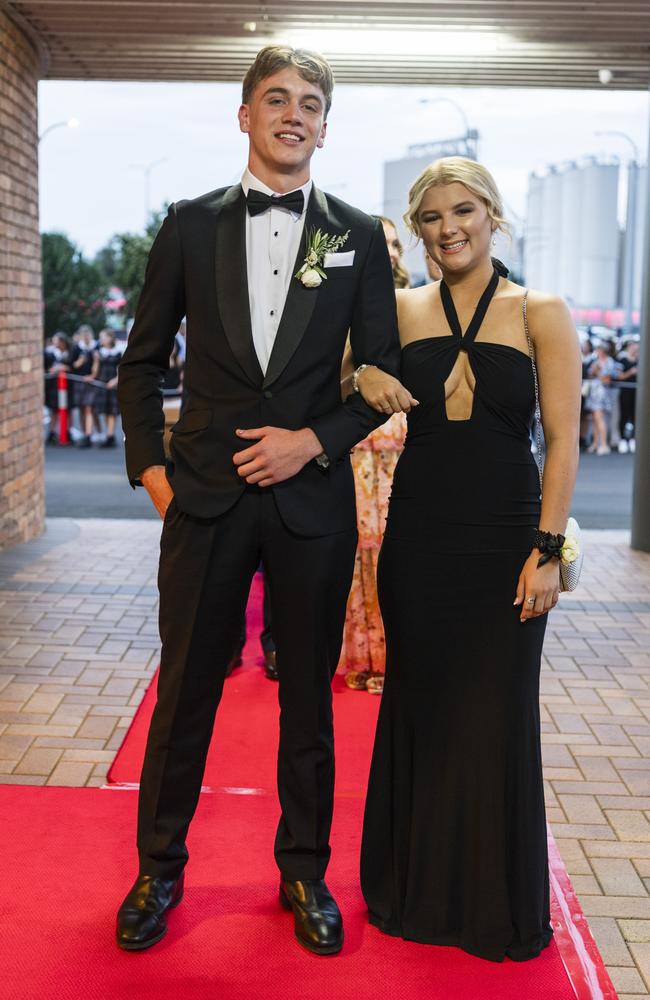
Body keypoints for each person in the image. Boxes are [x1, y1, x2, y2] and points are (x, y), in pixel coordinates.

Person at [116, 44, 412, 957]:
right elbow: (139, 366)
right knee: (185, 698)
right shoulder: (190, 224)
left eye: (310, 103)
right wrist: (156, 476)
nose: (293, 114)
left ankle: (304, 870)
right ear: (244, 115)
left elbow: (382, 376)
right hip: (201, 503)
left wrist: (311, 442)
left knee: (308, 709)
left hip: (310, 507)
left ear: (326, 125)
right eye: (275, 98)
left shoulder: (357, 234)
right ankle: (158, 871)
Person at [360, 156, 581, 962]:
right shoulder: (396, 309)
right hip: (418, 539)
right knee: (421, 707)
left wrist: (547, 551)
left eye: (464, 211)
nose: (450, 227)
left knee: (495, 716)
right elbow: (346, 372)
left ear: (492, 215)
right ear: (417, 229)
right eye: (431, 216)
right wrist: (366, 369)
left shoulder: (541, 311)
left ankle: (492, 907)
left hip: (506, 543)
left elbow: (562, 442)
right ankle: (413, 894)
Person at [339, 216, 408, 695]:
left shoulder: (419, 301)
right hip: (358, 440)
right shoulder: (344, 302)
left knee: (397, 549)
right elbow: (339, 373)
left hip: (404, 438)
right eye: (381, 243)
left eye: (395, 243)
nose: (390, 251)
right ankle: (363, 657)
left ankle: (399, 658)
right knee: (361, 553)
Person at [584, 340, 620, 455]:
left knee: (600, 419)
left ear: (603, 351)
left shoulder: (609, 362)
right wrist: (594, 371)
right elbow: (590, 374)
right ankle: (595, 443)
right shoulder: (596, 361)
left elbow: (607, 379)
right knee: (594, 419)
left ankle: (604, 444)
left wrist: (598, 372)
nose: (597, 352)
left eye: (599, 349)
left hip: (603, 393)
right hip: (594, 392)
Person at [92, 329, 122, 448]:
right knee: (104, 411)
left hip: (113, 384)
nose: (102, 340)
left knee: (112, 412)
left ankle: (111, 436)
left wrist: (115, 381)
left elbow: (122, 369)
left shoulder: (118, 352)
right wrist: (96, 360)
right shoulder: (99, 352)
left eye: (104, 337)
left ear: (110, 338)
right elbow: (95, 372)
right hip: (102, 384)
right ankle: (107, 434)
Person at [615, 337, 638, 453]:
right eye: (633, 346)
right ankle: (623, 440)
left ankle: (633, 439)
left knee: (636, 416)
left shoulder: (640, 360)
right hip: (625, 392)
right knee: (624, 415)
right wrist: (630, 372)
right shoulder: (622, 360)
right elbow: (618, 376)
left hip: (637, 393)